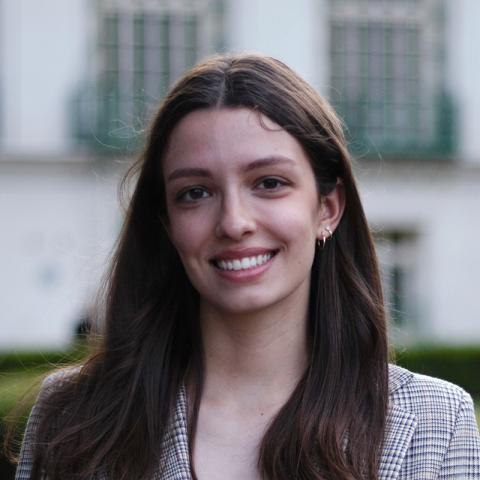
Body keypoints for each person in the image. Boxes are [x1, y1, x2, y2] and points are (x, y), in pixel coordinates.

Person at [14, 53, 480, 480]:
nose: (234, 222)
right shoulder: (73, 415)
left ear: (328, 208)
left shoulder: (432, 425)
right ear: (168, 222)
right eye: (195, 192)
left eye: (269, 183)